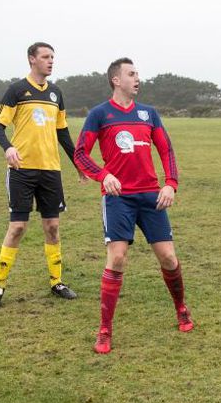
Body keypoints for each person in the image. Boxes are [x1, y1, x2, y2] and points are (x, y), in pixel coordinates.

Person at [74, 58, 192, 354]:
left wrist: (170, 183)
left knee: (168, 257)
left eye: (137, 73)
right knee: (117, 259)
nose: (137, 78)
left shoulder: (149, 114)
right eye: (132, 74)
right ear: (116, 80)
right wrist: (103, 175)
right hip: (118, 199)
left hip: (151, 196)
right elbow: (80, 154)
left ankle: (181, 308)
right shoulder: (100, 114)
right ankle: (104, 330)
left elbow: (166, 149)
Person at [0, 42, 81, 310]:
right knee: (17, 228)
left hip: (51, 169)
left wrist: (78, 162)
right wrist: (9, 147)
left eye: (53, 57)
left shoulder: (56, 93)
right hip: (22, 170)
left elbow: (62, 132)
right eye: (45, 57)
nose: (51, 61)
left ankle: (57, 282)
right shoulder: (17, 90)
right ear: (32, 60)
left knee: (52, 227)